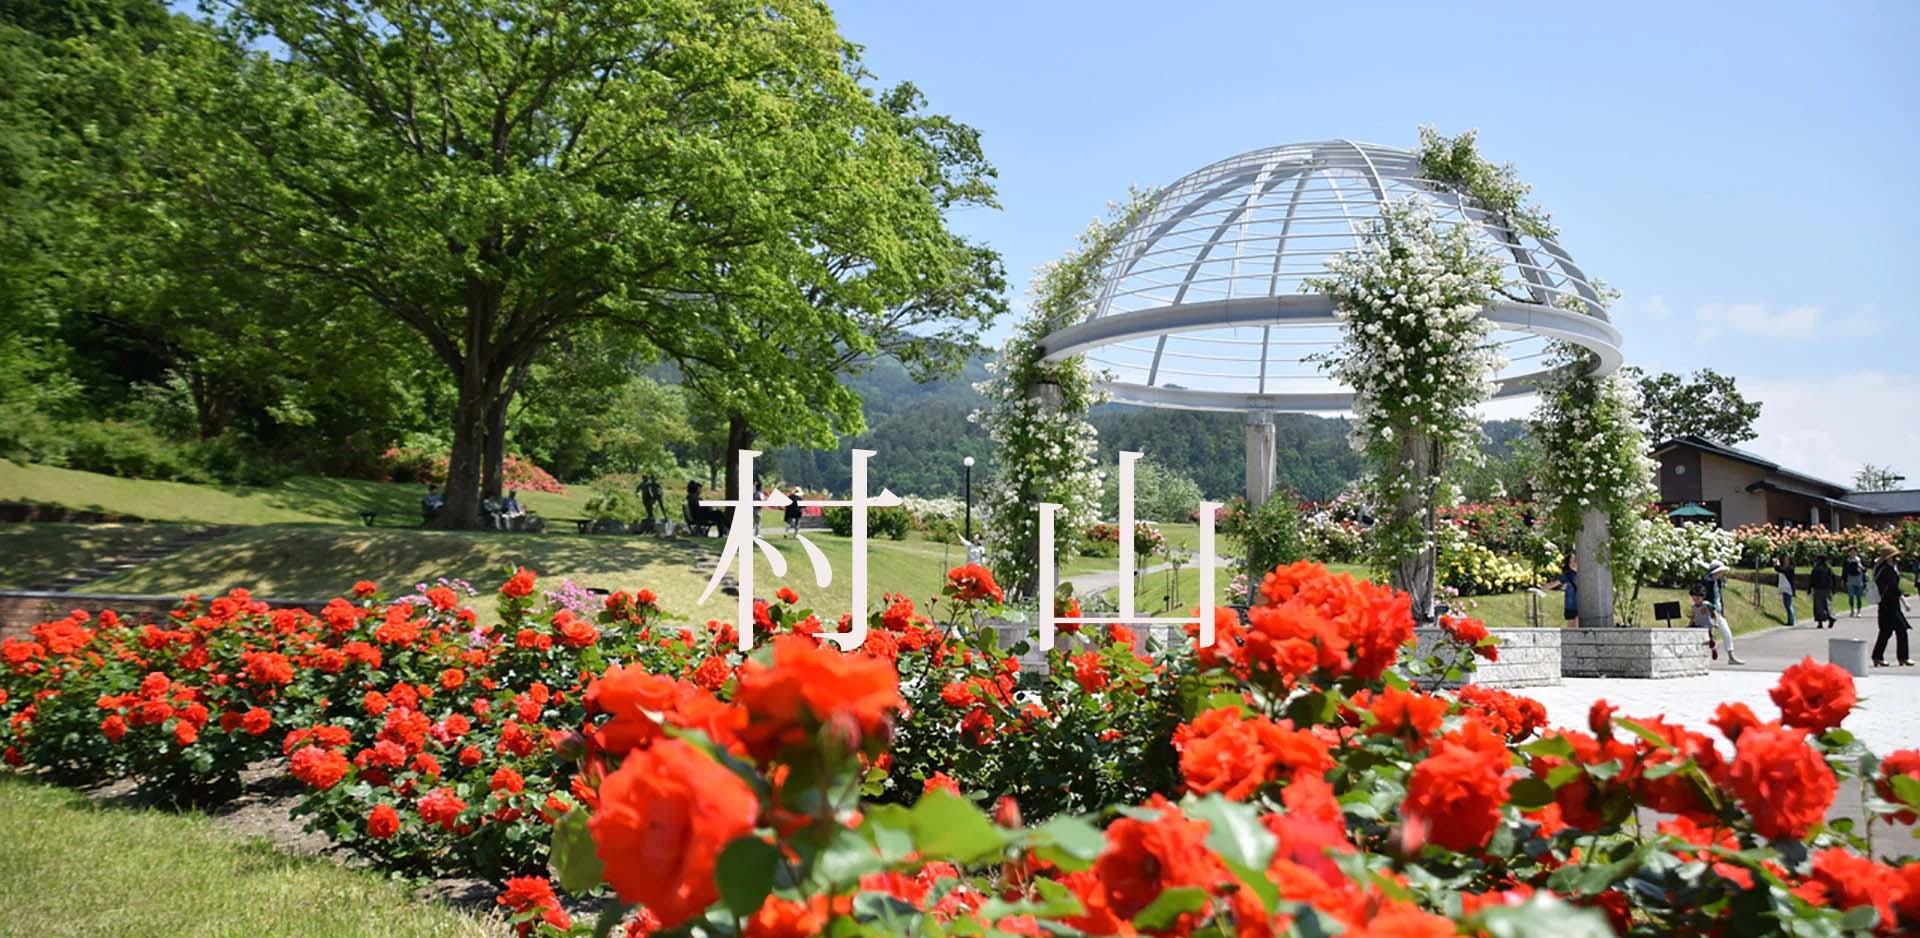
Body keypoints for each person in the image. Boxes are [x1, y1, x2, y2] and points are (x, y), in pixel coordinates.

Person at [1871, 549, 1912, 667]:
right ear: (1889, 558)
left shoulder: (1883, 569)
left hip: (1886, 605)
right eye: (1895, 557)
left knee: (1886, 631)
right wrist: (1905, 602)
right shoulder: (1887, 571)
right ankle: (1903, 657)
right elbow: (1894, 589)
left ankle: (1877, 657)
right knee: (1901, 630)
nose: (1897, 559)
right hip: (1890, 606)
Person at [1689, 585, 1744, 665]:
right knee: (1704, 640)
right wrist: (1689, 625)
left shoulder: (1706, 604)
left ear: (1702, 597)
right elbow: (1693, 616)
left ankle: (1717, 649)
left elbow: (1716, 614)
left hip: (1709, 623)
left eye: (1697, 599)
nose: (1695, 601)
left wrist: (1716, 623)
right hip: (1700, 624)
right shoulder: (1694, 607)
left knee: (1715, 636)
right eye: (1694, 599)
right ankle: (1711, 647)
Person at [1808, 556, 1838, 628]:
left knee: (1818, 606)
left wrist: (1809, 588)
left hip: (1818, 589)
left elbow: (1812, 579)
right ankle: (1831, 617)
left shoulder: (1816, 568)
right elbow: (1833, 579)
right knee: (1828, 604)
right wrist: (1834, 588)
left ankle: (1820, 622)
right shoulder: (1829, 568)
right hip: (1827, 589)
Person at [1549, 554, 1578, 626]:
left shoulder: (1585, 574)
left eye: (1575, 561)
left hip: (1581, 606)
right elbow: (1555, 583)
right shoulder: (1568, 575)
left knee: (1577, 626)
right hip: (1570, 606)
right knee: (1571, 627)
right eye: (1571, 562)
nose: (1573, 564)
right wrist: (1542, 588)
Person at [1774, 554, 1797, 626]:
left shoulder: (1790, 568)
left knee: (1788, 605)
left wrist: (1776, 564)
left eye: (1786, 559)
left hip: (1788, 588)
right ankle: (1790, 620)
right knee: (1787, 604)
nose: (1785, 560)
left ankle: (1792, 621)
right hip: (1785, 588)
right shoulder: (1786, 567)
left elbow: (1779, 569)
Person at [1843, 552, 1868, 617]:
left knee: (1859, 597)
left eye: (1854, 551)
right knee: (1851, 596)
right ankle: (1852, 610)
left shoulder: (1860, 560)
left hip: (1859, 580)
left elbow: (1865, 570)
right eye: (1851, 551)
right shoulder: (1847, 561)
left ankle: (1859, 612)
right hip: (1850, 580)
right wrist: (1843, 580)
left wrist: (1860, 566)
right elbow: (1844, 571)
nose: (1853, 553)